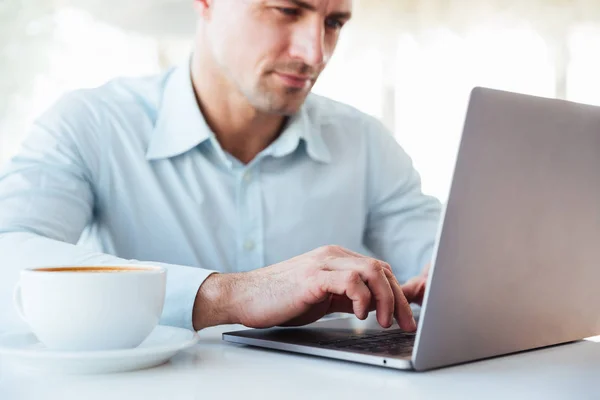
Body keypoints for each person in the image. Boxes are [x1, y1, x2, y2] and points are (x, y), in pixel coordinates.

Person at [0, 0, 441, 332]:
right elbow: (7, 255)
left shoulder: (365, 141)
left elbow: (442, 257)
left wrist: (456, 287)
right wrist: (225, 295)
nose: (315, 53)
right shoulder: (92, 123)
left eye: (334, 22)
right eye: (287, 9)